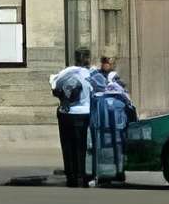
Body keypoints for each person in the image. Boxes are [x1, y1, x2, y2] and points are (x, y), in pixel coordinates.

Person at [87, 56, 135, 187]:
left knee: (117, 146)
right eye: (104, 62)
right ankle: (103, 174)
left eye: (108, 62)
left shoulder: (116, 78)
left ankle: (118, 172)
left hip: (115, 121)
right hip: (103, 119)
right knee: (101, 146)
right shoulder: (96, 76)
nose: (106, 65)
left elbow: (128, 101)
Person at [50, 45, 93, 186]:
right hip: (84, 114)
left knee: (68, 146)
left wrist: (64, 99)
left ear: (75, 58)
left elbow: (55, 89)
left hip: (66, 114)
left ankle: (71, 176)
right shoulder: (90, 74)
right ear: (87, 59)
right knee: (82, 146)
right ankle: (82, 174)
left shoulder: (66, 72)